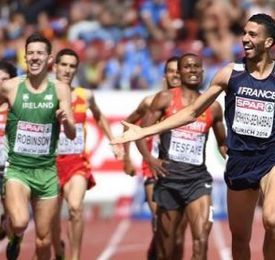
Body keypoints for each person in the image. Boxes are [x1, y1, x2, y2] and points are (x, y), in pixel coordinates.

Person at [112, 14, 275, 260]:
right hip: (240, 162)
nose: (244, 38)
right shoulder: (229, 74)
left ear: (268, 42)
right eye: (244, 33)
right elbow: (191, 112)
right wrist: (144, 131)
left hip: (274, 157)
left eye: (252, 34)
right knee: (240, 238)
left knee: (272, 219)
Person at [135, 53, 226, 259]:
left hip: (198, 181)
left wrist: (236, 157)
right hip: (169, 180)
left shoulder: (212, 106)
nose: (192, 70)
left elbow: (223, 143)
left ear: (202, 72)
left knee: (201, 238)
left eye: (197, 66)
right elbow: (141, 132)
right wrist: (150, 159)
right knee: (168, 246)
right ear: (180, 72)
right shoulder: (165, 99)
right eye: (187, 67)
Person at [0, 33, 76, 260]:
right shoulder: (10, 87)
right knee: (21, 221)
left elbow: (71, 134)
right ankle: (15, 235)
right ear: (25, 57)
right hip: (17, 170)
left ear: (49, 58)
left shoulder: (61, 89)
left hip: (46, 172)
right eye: (30, 53)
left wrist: (65, 121)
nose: (34, 57)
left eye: (39, 53)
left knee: (44, 240)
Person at [51, 48, 123, 260]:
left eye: (72, 66)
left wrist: (113, 140)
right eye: (63, 65)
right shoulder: (45, 94)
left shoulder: (85, 95)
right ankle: (59, 249)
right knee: (51, 218)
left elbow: (99, 116)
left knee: (75, 208)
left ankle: (75, 257)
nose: (67, 70)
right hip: (49, 164)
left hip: (76, 162)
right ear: (54, 66)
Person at [123, 56, 189, 260]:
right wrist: (126, 157)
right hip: (153, 169)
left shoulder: (191, 103)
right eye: (171, 71)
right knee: (161, 224)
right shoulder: (150, 102)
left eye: (178, 70)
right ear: (165, 75)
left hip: (182, 171)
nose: (175, 74)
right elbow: (129, 125)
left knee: (178, 233)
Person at [0, 61, 17, 241]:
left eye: (5, 79)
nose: (1, 84)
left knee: (14, 220)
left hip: (11, 171)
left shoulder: (17, 109)